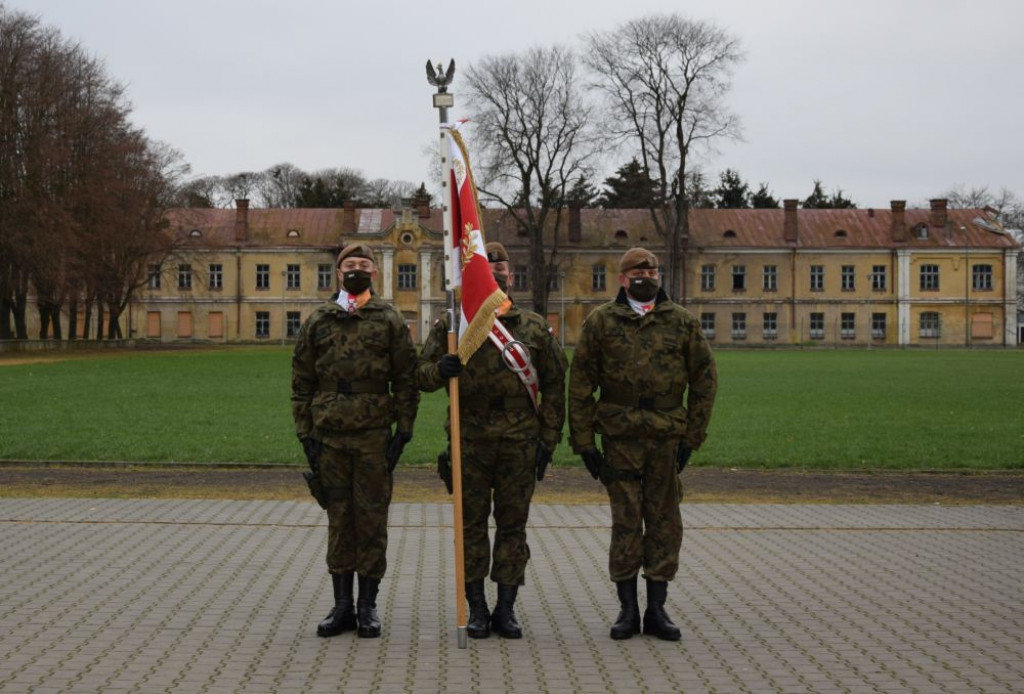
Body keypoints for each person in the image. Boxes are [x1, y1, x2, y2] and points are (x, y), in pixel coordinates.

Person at [418, 241, 567, 640]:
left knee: (512, 526)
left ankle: (506, 607)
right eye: (489, 266)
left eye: (501, 267)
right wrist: (441, 370)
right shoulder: (454, 325)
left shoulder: (533, 326)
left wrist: (547, 441)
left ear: (510, 277)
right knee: (470, 527)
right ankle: (477, 607)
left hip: (520, 441)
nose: (496, 272)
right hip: (470, 439)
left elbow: (554, 386)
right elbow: (420, 375)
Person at [568, 247, 717, 642]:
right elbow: (581, 384)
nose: (647, 275)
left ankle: (657, 608)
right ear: (622, 278)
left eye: (652, 269)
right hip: (620, 438)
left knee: (665, 522)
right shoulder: (601, 322)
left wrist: (693, 437)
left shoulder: (681, 322)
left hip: (667, 437)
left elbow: (704, 380)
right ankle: (627, 610)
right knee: (627, 522)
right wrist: (584, 443)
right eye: (638, 270)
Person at [291, 243, 420, 639]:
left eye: (365, 265)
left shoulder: (389, 318)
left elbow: (406, 380)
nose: (358, 269)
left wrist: (404, 430)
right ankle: (342, 606)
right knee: (339, 518)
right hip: (328, 435)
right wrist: (305, 434)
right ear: (338, 272)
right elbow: (301, 382)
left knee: (371, 520)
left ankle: (368, 607)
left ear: (375, 273)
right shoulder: (319, 320)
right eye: (351, 264)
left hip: (372, 436)